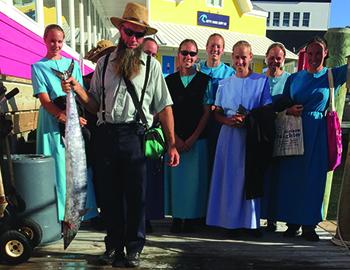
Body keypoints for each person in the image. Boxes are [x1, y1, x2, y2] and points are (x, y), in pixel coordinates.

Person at [61, 2, 179, 268]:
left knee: (136, 196)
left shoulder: (152, 67)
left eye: (139, 35)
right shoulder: (103, 64)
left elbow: (164, 107)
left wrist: (172, 144)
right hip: (107, 135)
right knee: (109, 195)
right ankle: (113, 246)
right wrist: (77, 88)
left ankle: (134, 249)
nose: (134, 39)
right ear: (121, 31)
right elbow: (93, 105)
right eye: (129, 32)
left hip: (135, 136)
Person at [268, 36, 348, 241]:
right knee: (291, 177)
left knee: (314, 179)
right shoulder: (295, 78)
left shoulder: (333, 75)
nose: (314, 57)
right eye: (310, 53)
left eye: (318, 53)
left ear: (326, 53)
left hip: (318, 132)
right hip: (294, 131)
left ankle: (309, 224)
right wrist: (288, 109)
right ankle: (292, 222)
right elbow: (282, 103)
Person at [31, 24, 97, 222]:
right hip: (52, 122)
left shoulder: (73, 66)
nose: (56, 45)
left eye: (60, 41)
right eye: (52, 40)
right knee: (58, 165)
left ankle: (85, 212)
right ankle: (61, 215)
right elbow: (44, 100)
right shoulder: (38, 67)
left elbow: (79, 94)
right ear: (44, 40)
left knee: (78, 164)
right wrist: (62, 116)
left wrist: (75, 118)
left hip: (73, 117)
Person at [206, 40, 271, 236]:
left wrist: (249, 118)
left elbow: (268, 110)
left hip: (250, 136)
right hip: (229, 136)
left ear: (250, 57)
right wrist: (227, 120)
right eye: (237, 57)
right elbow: (216, 113)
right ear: (232, 58)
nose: (240, 61)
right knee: (229, 179)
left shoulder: (261, 81)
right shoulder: (224, 84)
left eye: (244, 57)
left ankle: (250, 223)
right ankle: (228, 222)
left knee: (249, 177)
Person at [164, 39, 211, 233]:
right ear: (178, 55)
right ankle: (177, 217)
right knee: (177, 182)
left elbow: (207, 112)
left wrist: (192, 138)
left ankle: (192, 218)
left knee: (195, 182)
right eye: (184, 53)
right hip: (175, 141)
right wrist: (174, 139)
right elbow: (164, 111)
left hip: (197, 140)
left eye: (192, 54)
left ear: (197, 57)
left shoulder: (205, 81)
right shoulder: (168, 81)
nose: (188, 57)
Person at [261, 42, 291, 232]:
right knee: (263, 175)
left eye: (278, 58)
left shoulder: (289, 79)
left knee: (279, 177)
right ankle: (261, 215)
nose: (274, 61)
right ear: (266, 57)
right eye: (271, 57)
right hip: (262, 133)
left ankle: (276, 217)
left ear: (284, 59)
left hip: (282, 133)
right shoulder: (258, 78)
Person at [197, 33, 235, 178]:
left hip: (219, 125)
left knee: (216, 163)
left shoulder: (230, 73)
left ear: (223, 50)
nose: (215, 49)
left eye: (218, 46)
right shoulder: (197, 69)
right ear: (206, 47)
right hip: (199, 122)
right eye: (212, 45)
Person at [141, 37, 163, 233]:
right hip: (126, 134)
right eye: (148, 53)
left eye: (154, 54)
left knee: (147, 179)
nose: (151, 57)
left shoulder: (157, 74)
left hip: (147, 135)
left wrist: (150, 118)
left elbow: (162, 105)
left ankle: (145, 218)